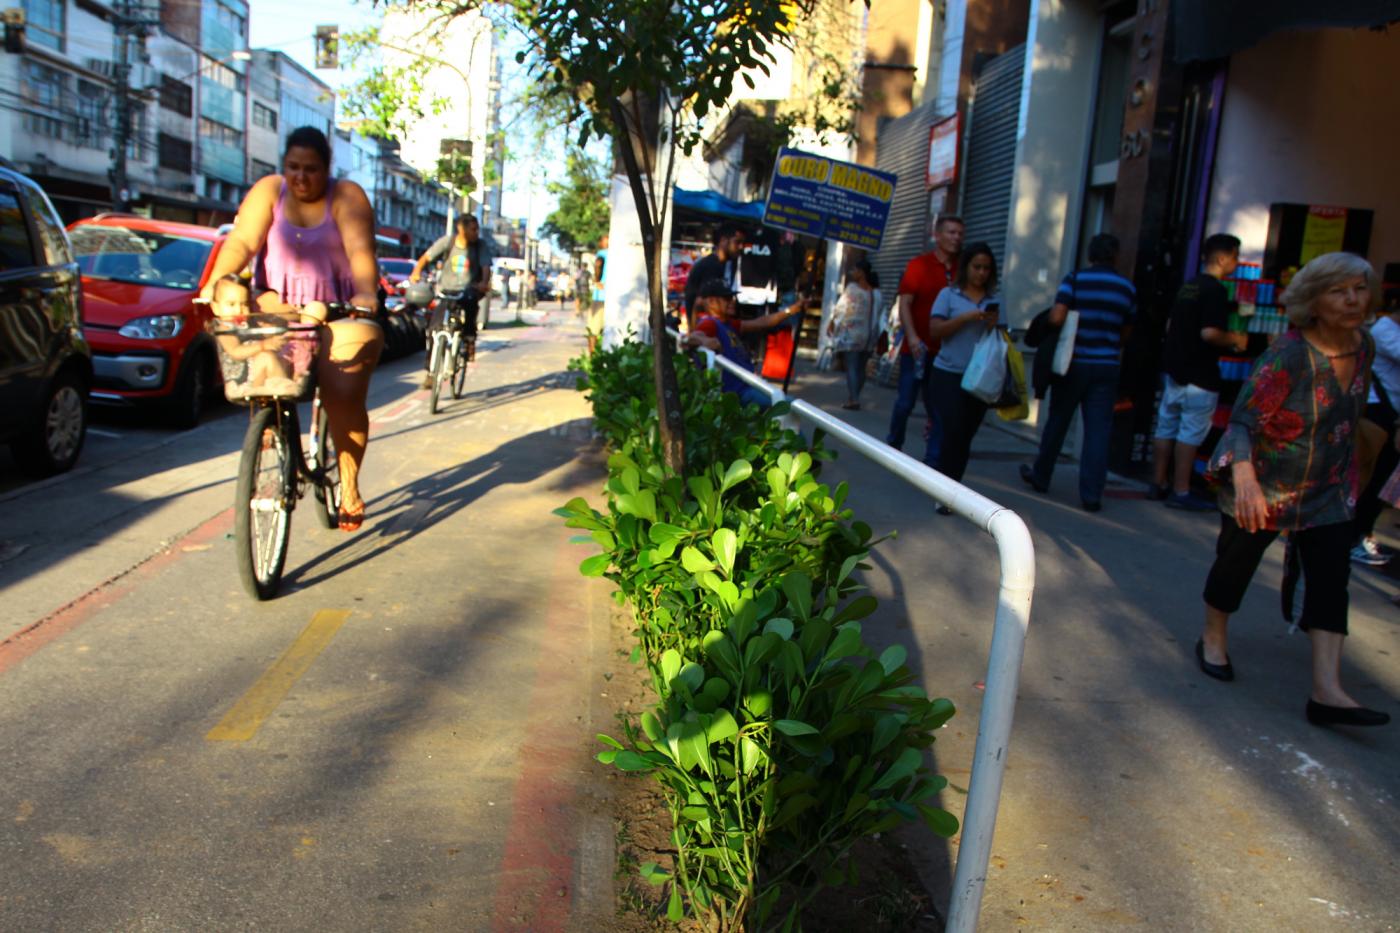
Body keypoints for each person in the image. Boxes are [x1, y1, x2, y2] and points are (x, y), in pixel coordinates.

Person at [1195, 252, 1387, 728]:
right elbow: (1242, 420)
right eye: (1338, 291)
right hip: (1264, 482)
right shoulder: (1289, 354)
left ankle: (1327, 690)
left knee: (1330, 579)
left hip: (1329, 489)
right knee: (1235, 564)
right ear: (1312, 302)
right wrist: (1245, 481)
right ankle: (1213, 638)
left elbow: (1353, 410)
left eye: (1359, 289)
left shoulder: (1363, 346)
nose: (1352, 300)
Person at [201, 126, 383, 532]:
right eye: (293, 168)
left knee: (343, 395)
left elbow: (360, 253)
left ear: (327, 168)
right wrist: (221, 280)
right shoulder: (269, 190)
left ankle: (349, 486)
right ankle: (270, 424)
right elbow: (241, 242)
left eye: (311, 170)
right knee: (254, 349)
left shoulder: (347, 196)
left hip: (338, 311)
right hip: (278, 308)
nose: (301, 178)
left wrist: (367, 293)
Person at [1020, 233, 1136, 512]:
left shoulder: (1075, 280)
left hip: (1073, 363)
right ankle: (1091, 494)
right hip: (1107, 365)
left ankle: (1041, 475)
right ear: (1115, 256)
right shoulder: (1126, 288)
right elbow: (1126, 331)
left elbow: (1058, 316)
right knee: (1098, 431)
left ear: (1091, 255)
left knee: (1058, 421)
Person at [1149, 233, 1245, 510]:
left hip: (1174, 370)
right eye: (1235, 257)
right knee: (1189, 432)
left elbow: (1170, 326)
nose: (1236, 264)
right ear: (1222, 257)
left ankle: (1158, 483)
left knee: (1166, 426)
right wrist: (1237, 340)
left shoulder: (1187, 286)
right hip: (1200, 375)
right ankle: (1181, 491)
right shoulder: (1215, 290)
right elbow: (1211, 333)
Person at [885, 214, 963, 469]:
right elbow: (905, 303)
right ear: (937, 235)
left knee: (939, 410)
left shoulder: (963, 269)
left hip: (946, 354)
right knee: (905, 402)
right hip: (916, 349)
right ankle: (893, 445)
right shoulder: (919, 265)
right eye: (951, 232)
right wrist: (913, 337)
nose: (956, 238)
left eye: (960, 234)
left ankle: (932, 462)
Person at [926, 242, 1001, 493]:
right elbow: (935, 331)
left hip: (980, 379)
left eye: (986, 268)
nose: (981, 273)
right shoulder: (949, 295)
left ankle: (954, 488)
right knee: (952, 430)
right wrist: (965, 318)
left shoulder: (994, 301)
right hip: (948, 373)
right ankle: (944, 489)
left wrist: (993, 324)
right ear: (966, 267)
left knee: (966, 434)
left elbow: (1003, 338)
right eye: (977, 267)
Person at [685, 279, 806, 408]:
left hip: (748, 384)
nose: (732, 301)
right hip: (739, 391)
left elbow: (762, 322)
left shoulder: (729, 323)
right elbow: (691, 338)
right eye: (726, 298)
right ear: (711, 302)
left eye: (732, 297)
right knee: (790, 406)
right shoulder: (709, 323)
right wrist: (707, 341)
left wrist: (791, 310)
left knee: (787, 404)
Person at [409, 214, 494, 379]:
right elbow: (426, 257)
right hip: (447, 291)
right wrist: (416, 272)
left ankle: (469, 341)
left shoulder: (479, 246)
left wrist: (483, 282)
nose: (476, 233)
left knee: (471, 307)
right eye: (473, 229)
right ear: (461, 229)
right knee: (434, 328)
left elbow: (485, 267)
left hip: (469, 290)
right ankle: (431, 372)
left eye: (477, 229)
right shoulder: (448, 242)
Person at [1351, 289, 1400, 566]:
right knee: (1370, 478)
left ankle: (1360, 533)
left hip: (1388, 416)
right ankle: (1356, 535)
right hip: (1379, 416)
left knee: (1379, 481)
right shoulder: (1384, 331)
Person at [209, 275, 300, 398]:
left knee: (279, 355)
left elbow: (262, 335)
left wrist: (270, 332)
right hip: (241, 383)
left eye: (244, 304)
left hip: (257, 376)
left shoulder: (248, 323)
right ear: (215, 308)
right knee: (266, 356)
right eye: (231, 304)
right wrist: (264, 344)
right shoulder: (224, 328)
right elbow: (236, 352)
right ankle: (284, 387)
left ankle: (283, 385)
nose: (239, 310)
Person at [825, 258, 879, 410]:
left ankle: (854, 398)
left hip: (851, 336)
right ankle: (854, 396)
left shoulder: (852, 289)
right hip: (868, 337)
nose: (852, 273)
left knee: (852, 367)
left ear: (861, 273)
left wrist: (832, 323)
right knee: (860, 368)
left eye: (855, 270)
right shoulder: (876, 293)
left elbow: (840, 309)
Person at [684, 223, 743, 329]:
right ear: (723, 241)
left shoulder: (724, 264)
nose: (741, 247)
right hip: (704, 331)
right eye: (737, 242)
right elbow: (699, 302)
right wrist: (693, 331)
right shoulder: (711, 266)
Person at [588, 236, 608, 353]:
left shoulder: (602, 253)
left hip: (600, 296)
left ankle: (593, 356)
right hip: (608, 297)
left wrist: (597, 280)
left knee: (593, 330)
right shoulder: (616, 253)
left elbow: (598, 264)